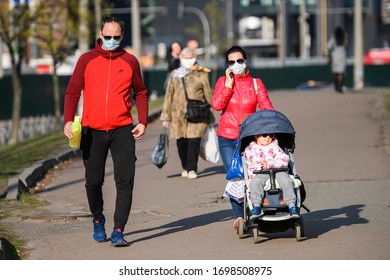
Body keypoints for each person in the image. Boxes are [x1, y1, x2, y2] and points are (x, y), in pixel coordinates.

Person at [63, 17, 148, 247]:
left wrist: (143, 121)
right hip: (93, 131)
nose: (111, 40)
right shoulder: (86, 60)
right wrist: (68, 121)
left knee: (125, 181)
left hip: (122, 129)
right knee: (93, 182)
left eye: (116, 37)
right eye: (107, 36)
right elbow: (72, 92)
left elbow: (140, 92)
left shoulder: (130, 61)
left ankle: (119, 230)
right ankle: (98, 218)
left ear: (122, 36)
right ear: (100, 34)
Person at [212, 45, 274, 232]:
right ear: (227, 65)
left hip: (249, 137)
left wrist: (272, 127)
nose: (236, 64)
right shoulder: (223, 81)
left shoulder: (256, 83)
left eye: (240, 60)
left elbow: (266, 107)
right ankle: (239, 216)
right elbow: (217, 104)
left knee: (254, 174)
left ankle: (256, 207)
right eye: (232, 61)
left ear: (245, 61)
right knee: (236, 175)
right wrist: (229, 85)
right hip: (227, 137)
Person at [160, 47, 213, 179]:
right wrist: (166, 115)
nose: (189, 60)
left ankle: (192, 168)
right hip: (178, 116)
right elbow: (169, 96)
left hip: (197, 113)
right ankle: (185, 166)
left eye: (191, 57)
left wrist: (210, 115)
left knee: (194, 141)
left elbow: (207, 94)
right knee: (181, 142)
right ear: (181, 58)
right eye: (186, 57)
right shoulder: (175, 74)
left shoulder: (202, 73)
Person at [243, 133, 299, 219]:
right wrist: (254, 172)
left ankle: (292, 205)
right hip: (260, 172)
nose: (268, 138)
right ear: (256, 136)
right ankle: (256, 205)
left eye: (271, 136)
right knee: (255, 182)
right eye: (265, 135)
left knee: (286, 181)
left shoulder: (275, 147)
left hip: (278, 171)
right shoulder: (250, 150)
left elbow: (284, 160)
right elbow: (249, 164)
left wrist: (269, 164)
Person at [327, 26, 347, 93]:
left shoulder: (333, 38)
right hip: (342, 55)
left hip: (335, 55)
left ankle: (336, 85)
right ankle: (340, 86)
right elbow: (346, 46)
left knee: (335, 72)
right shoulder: (344, 38)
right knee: (341, 72)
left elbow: (329, 46)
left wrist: (329, 57)